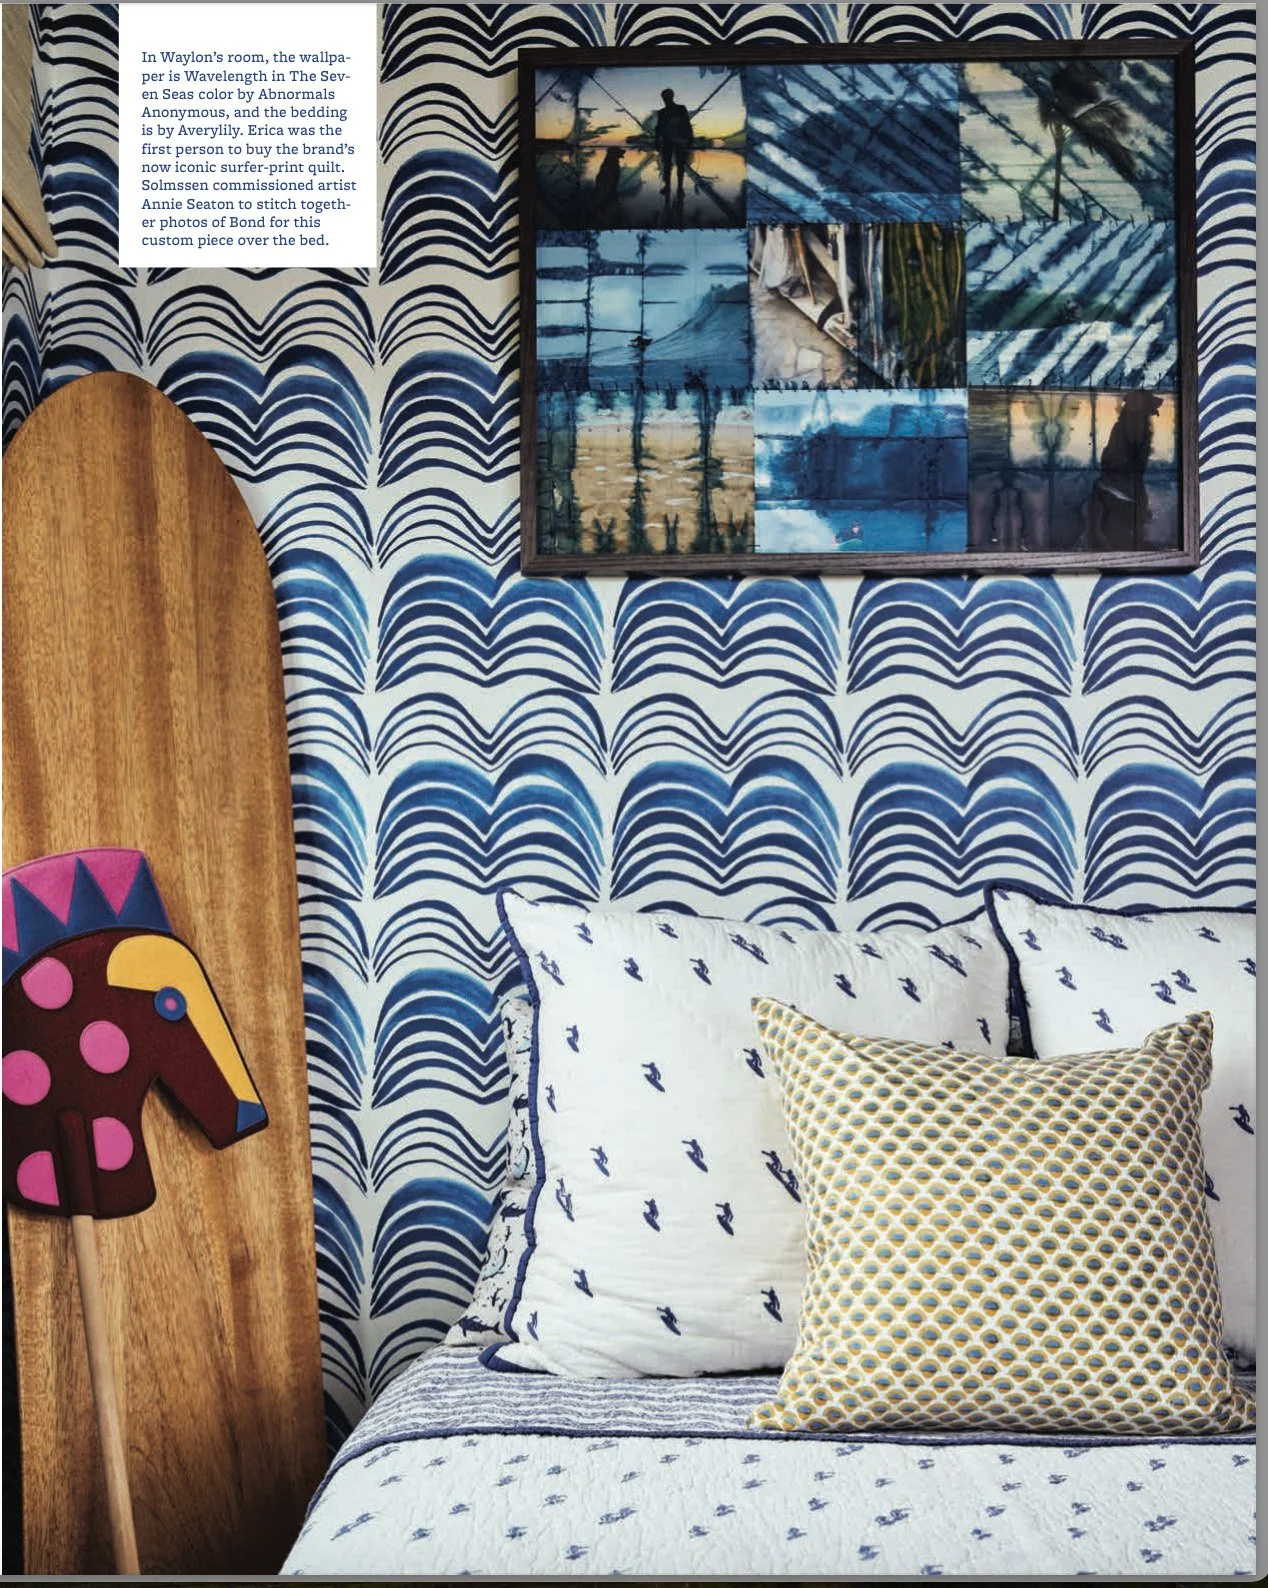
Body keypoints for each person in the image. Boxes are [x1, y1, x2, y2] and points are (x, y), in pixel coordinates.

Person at [654, 88, 693, 195]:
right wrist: (656, 140)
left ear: (672, 96)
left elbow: (687, 124)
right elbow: (659, 128)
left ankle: (679, 188)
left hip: (680, 141)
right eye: (664, 97)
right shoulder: (662, 112)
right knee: (668, 165)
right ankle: (669, 187)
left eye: (667, 97)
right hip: (668, 141)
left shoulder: (681, 108)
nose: (665, 99)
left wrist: (689, 139)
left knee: (679, 164)